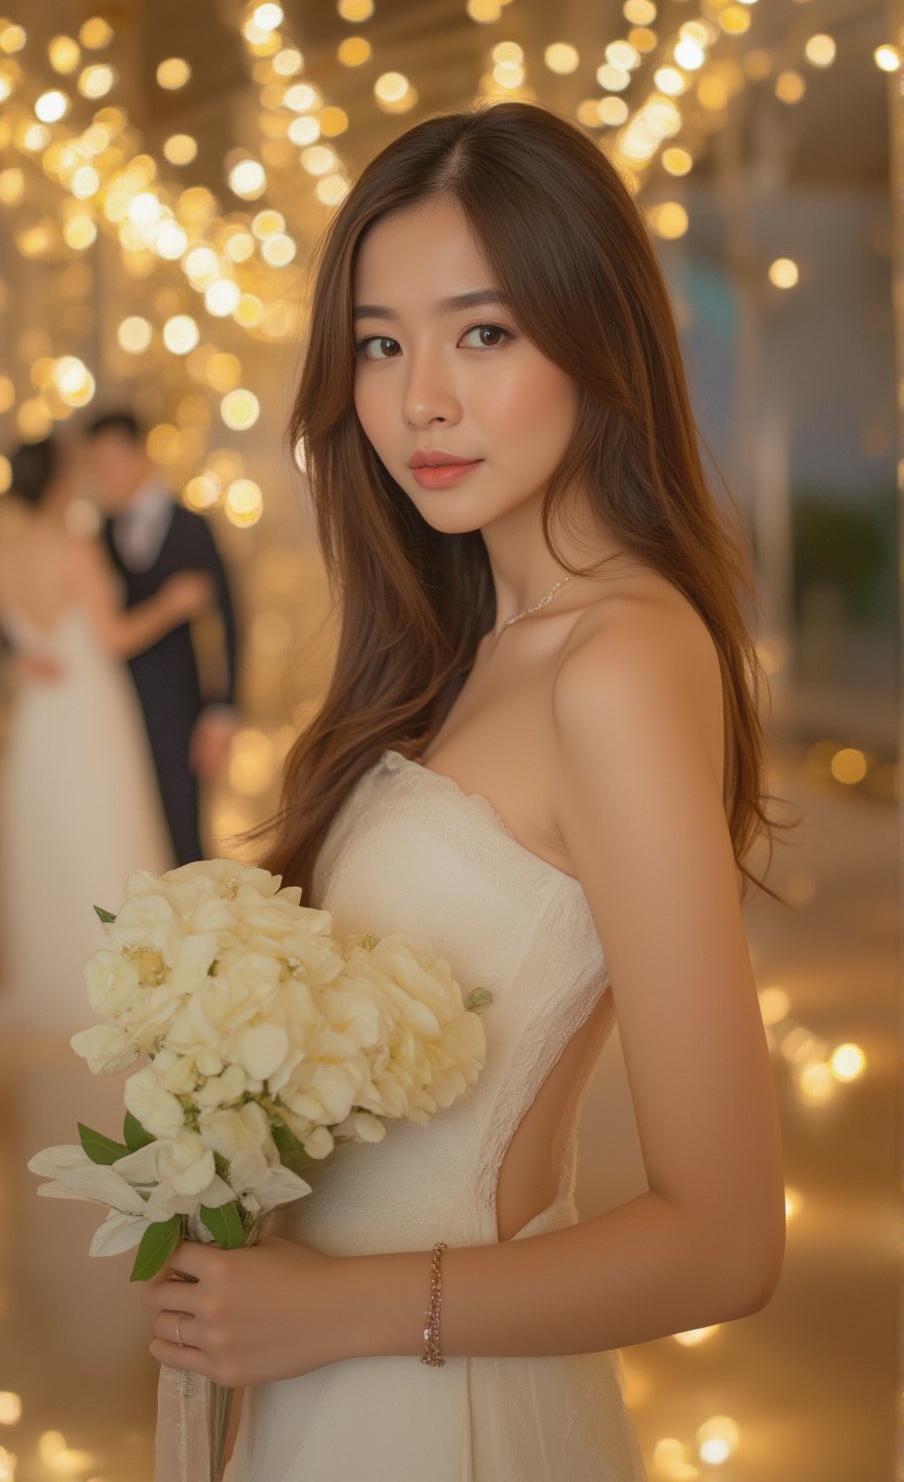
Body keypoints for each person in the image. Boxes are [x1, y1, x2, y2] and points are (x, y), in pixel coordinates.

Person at [142, 101, 791, 1481]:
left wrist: (333, 1309)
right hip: (334, 1380)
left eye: (481, 332)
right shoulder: (458, 653)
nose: (417, 396)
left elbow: (728, 1239)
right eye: (381, 343)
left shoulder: (614, 660)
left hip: (430, 1402)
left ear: (598, 337)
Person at [0, 434, 213, 1033]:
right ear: (61, 482)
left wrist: (15, 663)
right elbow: (114, 638)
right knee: (104, 825)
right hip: (90, 709)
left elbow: (14, 643)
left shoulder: (7, 553)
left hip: (41, 718)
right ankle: (122, 979)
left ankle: (54, 976)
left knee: (50, 836)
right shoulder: (77, 547)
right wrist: (175, 602)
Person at [84, 411, 241, 866]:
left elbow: (231, 619)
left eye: (111, 461)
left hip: (181, 708)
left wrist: (223, 708)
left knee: (184, 836)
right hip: (114, 710)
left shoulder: (191, 526)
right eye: (96, 466)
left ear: (140, 454)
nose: (104, 476)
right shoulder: (99, 534)